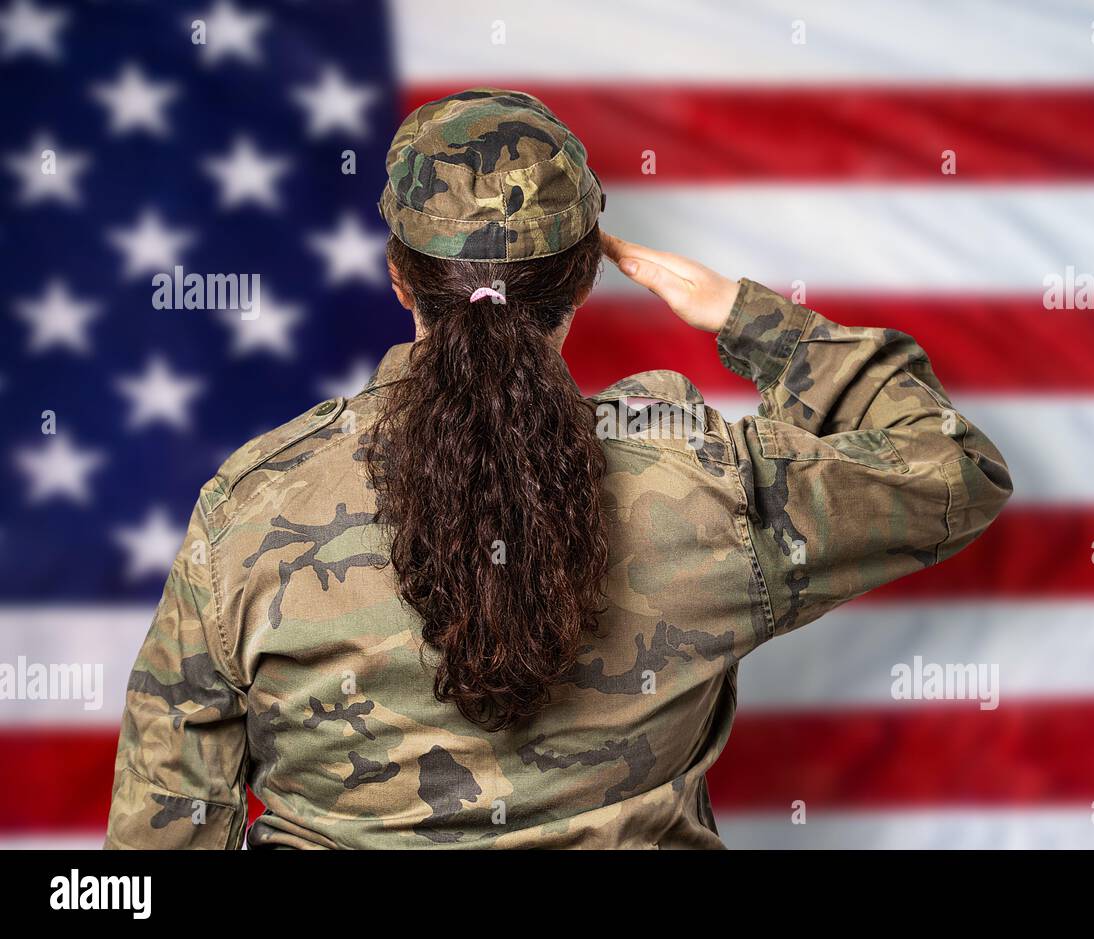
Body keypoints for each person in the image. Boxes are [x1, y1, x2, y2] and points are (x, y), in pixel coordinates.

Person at [104, 88, 1012, 849]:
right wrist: (746, 315)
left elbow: (155, 846)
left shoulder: (254, 510)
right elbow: (951, 467)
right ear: (584, 280)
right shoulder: (706, 486)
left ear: (397, 277)